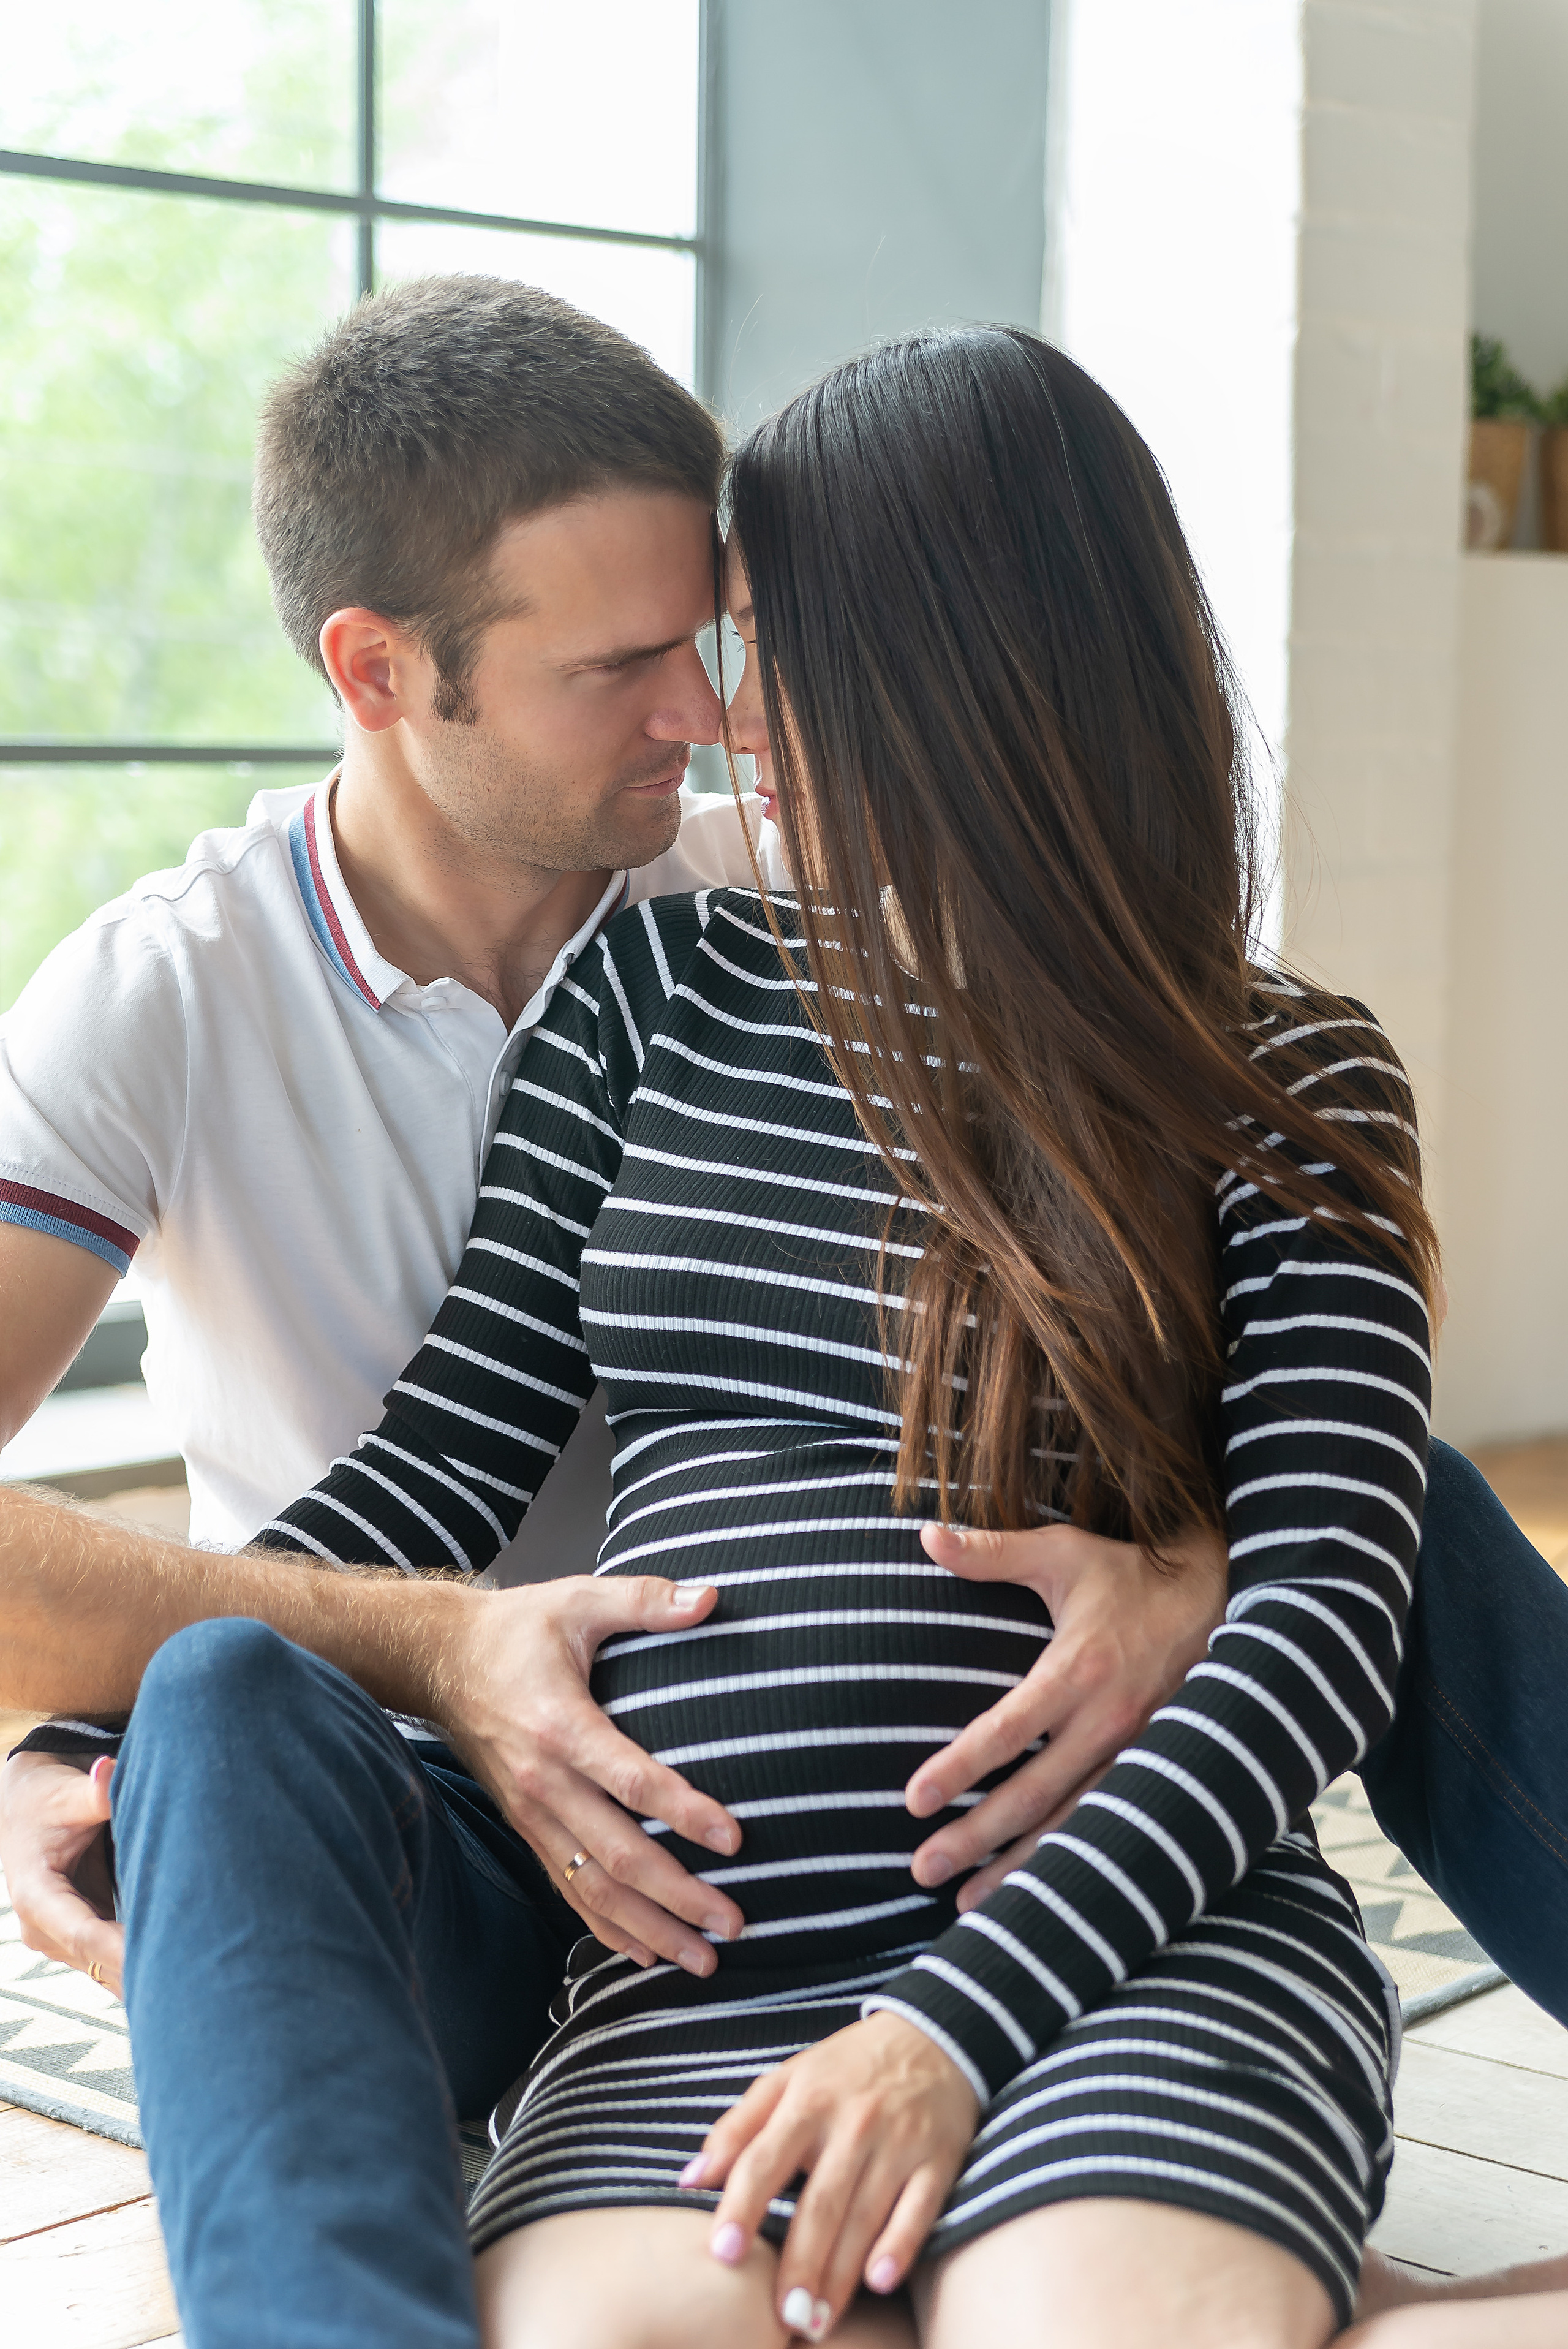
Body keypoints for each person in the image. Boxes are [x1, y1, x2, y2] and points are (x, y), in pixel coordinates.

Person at [2, 295, 1566, 2345]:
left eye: (749, 656)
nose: (715, 721)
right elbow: (441, 1459)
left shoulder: (1279, 1070)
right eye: (646, 665)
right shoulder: (628, 988)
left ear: (950, 687)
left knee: (1396, 1512)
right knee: (219, 1696)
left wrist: (966, 1995)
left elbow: (1325, 1599)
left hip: (1105, 1948)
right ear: (387, 675)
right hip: (654, 1920)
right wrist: (94, 1737)